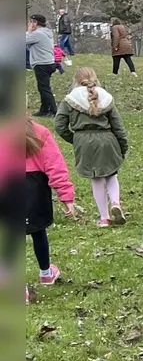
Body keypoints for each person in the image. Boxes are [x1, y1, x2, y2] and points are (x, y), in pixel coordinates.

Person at [55, 67, 130, 228]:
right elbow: (118, 126)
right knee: (111, 174)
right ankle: (116, 203)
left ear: (76, 80)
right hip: (107, 139)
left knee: (96, 179)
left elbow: (59, 125)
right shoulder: (106, 98)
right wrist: (123, 146)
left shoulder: (70, 100)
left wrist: (75, 139)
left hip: (84, 141)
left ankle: (104, 218)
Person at [23, 120, 74, 291]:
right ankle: (46, 273)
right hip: (35, 189)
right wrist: (66, 196)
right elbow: (55, 165)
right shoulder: (40, 132)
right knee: (39, 232)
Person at [26, 15, 56, 117]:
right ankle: (44, 110)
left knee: (44, 88)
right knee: (43, 87)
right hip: (49, 62)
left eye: (31, 22)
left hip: (42, 64)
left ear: (35, 22)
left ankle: (53, 110)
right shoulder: (46, 32)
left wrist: (29, 30)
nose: (30, 24)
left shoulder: (37, 34)